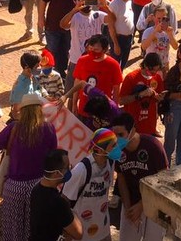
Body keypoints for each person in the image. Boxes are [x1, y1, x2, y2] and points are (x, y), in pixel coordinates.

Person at [0, 93, 58, 241]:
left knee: (13, 229)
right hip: (39, 186)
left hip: (15, 187)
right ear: (39, 110)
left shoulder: (14, 127)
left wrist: (8, 145)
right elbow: (53, 155)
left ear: (23, 110)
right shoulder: (49, 128)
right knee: (34, 228)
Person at [110, 113, 169, 241]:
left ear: (133, 131)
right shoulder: (117, 151)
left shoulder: (153, 146)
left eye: (121, 135)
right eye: (114, 135)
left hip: (154, 205)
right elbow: (121, 178)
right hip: (131, 203)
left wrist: (141, 205)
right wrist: (127, 207)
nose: (117, 139)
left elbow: (164, 180)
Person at [61, 130, 116, 241]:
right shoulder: (82, 169)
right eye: (113, 146)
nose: (118, 149)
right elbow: (64, 200)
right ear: (100, 149)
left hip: (103, 229)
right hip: (83, 232)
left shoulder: (110, 163)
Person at [40, 0, 85, 77]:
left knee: (66, 50)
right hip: (53, 25)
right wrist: (41, 17)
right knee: (52, 50)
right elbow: (43, 0)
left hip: (70, 26)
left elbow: (83, 2)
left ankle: (61, 73)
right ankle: (47, 74)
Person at [31, 149, 84, 241]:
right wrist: (71, 211)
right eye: (67, 167)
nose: (70, 169)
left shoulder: (36, 189)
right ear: (56, 173)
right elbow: (78, 233)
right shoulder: (59, 203)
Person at [69, 35, 123, 115]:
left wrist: (114, 108)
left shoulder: (113, 65)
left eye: (96, 49)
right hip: (84, 108)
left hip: (102, 111)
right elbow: (77, 82)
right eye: (90, 49)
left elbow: (116, 89)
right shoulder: (82, 60)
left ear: (105, 49)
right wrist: (74, 104)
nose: (92, 52)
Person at [63, 0, 111, 76]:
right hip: (76, 60)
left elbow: (113, 19)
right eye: (85, 2)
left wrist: (107, 5)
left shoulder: (97, 15)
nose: (88, 4)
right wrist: (74, 10)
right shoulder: (75, 17)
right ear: (78, 3)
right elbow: (63, 25)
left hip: (95, 59)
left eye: (90, 1)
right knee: (71, 86)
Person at [119, 53, 165, 136]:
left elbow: (159, 97)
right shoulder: (131, 78)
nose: (154, 73)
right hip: (132, 125)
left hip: (149, 125)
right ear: (146, 65)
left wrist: (159, 98)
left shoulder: (157, 78)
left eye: (156, 70)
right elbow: (121, 101)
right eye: (152, 70)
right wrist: (140, 95)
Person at [107, 0, 137, 69]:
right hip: (119, 39)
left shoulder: (129, 1)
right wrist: (115, 44)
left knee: (123, 63)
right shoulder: (114, 5)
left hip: (128, 38)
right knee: (115, 64)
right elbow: (111, 27)